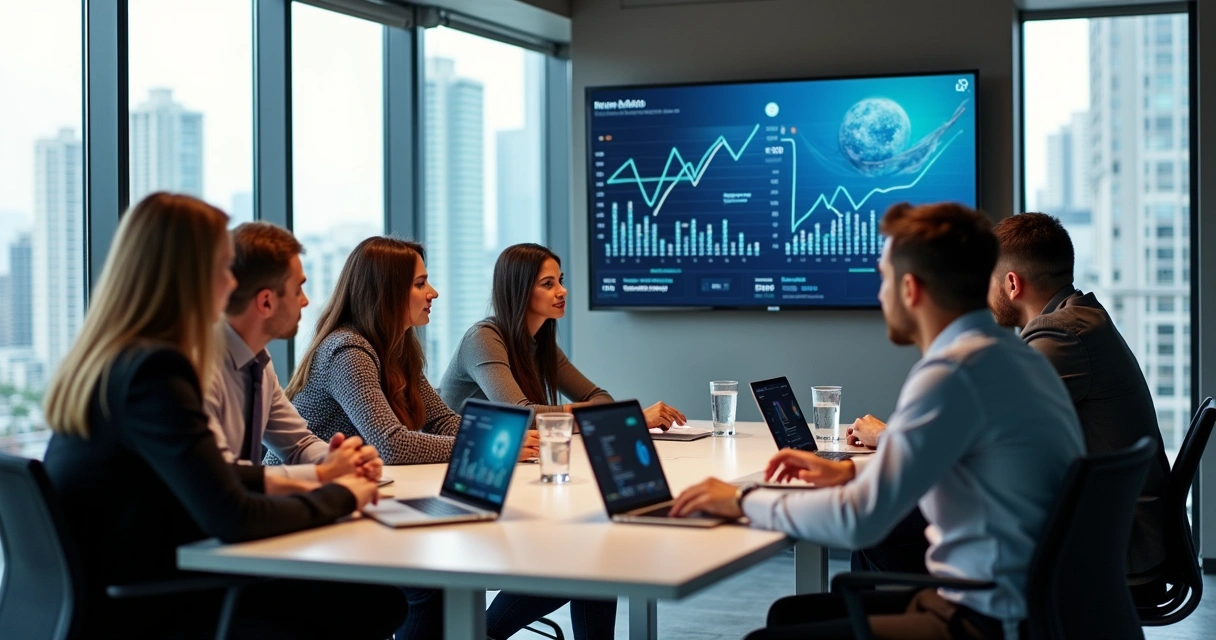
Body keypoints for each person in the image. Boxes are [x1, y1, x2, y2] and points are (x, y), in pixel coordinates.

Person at [671, 202, 1086, 639]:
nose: (879, 294)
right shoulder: (1015, 358)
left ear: (910, 289)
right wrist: (849, 477)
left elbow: (859, 522)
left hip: (984, 619)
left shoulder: (952, 374)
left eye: (883, 278)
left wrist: (742, 500)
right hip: (1030, 604)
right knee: (790, 617)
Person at [41, 192, 405, 639]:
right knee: (372, 603)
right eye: (222, 265)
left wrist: (319, 477)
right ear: (190, 275)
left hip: (113, 585)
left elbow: (208, 475)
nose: (232, 282)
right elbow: (234, 518)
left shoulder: (117, 358)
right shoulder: (156, 372)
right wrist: (345, 495)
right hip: (145, 605)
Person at [989, 212, 1171, 604]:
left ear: (1011, 283)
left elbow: (989, 427)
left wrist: (893, 437)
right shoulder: (1076, 320)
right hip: (1114, 529)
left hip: (1113, 547)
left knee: (894, 529)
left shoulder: (1062, 336)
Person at [278, 236, 539, 465]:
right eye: (420, 284)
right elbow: (392, 445)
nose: (433, 293)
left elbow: (442, 422)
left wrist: (505, 437)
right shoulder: (347, 350)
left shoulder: (395, 348)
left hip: (338, 486)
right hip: (296, 491)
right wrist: (490, 447)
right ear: (387, 292)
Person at [205, 221, 384, 484]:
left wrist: (339, 460)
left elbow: (298, 443)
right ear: (266, 301)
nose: (305, 300)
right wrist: (323, 474)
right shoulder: (200, 369)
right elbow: (219, 479)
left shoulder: (258, 362)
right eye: (298, 289)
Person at [440, 243, 686, 430]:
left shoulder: (541, 344)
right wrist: (626, 418)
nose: (562, 291)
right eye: (548, 284)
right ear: (520, 290)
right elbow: (523, 415)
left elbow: (600, 398)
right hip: (450, 465)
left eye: (560, 281)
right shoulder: (483, 339)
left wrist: (604, 414)